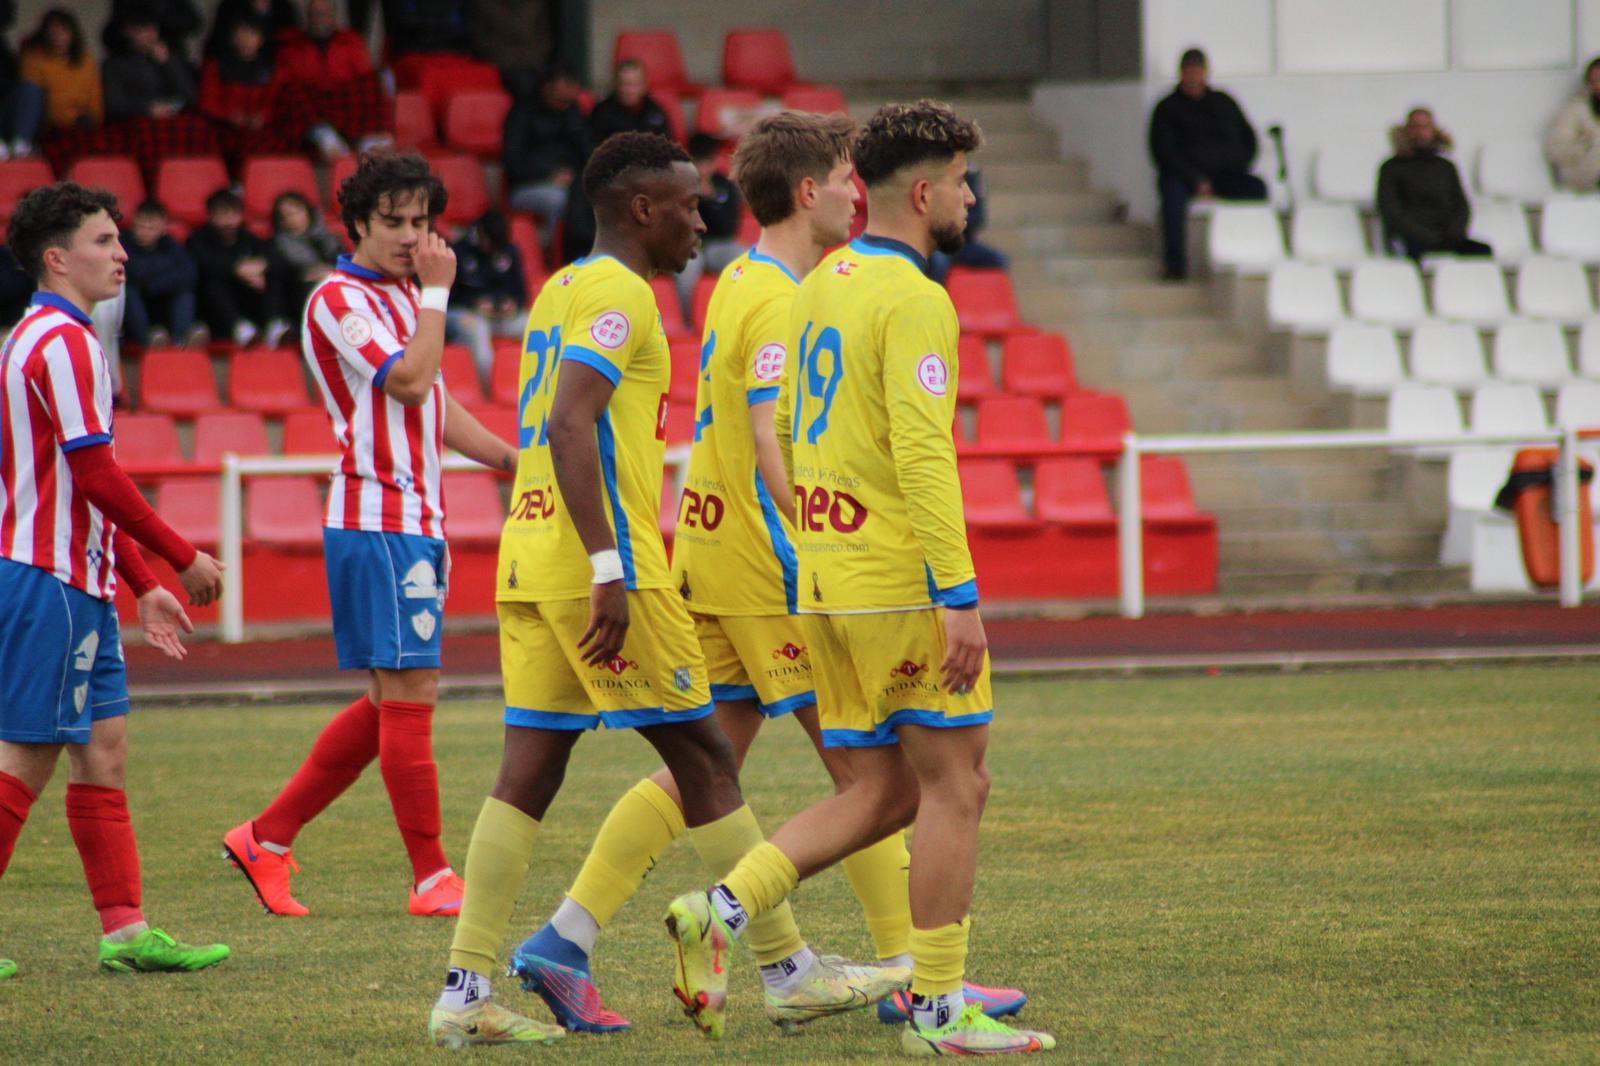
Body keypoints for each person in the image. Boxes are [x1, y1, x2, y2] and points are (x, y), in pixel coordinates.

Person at [507, 110, 1022, 1038]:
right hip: (778, 557)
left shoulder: (778, 283)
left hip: (732, 548)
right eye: (839, 177)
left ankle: (571, 933)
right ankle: (912, 977)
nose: (852, 194)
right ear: (809, 191)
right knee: (897, 778)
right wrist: (827, 545)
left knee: (723, 757)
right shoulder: (799, 292)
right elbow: (776, 441)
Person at [425, 131, 882, 1048]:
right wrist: (608, 566)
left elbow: (559, 422)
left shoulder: (558, 290)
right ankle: (788, 971)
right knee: (708, 758)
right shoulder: (622, 295)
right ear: (641, 209)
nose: (701, 219)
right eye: (686, 204)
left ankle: (464, 991)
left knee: (530, 771)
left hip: (529, 559)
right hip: (602, 567)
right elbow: (568, 424)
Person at [663, 101, 1056, 1056]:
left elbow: (787, 431)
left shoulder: (819, 284)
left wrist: (822, 538)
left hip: (828, 580)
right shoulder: (917, 298)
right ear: (922, 193)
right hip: (898, 584)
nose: (970, 196)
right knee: (959, 783)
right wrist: (957, 597)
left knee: (882, 792)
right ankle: (938, 1009)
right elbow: (924, 458)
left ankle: (720, 908)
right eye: (961, 181)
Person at [222, 150, 518, 920]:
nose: (411, 237)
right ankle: (431, 878)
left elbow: (436, 407)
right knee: (412, 689)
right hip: (376, 515)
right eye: (394, 222)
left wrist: (510, 459)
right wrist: (441, 295)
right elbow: (411, 382)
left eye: (421, 223)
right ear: (356, 223)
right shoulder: (338, 299)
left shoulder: (404, 299)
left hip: (417, 516)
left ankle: (268, 837)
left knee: (392, 696)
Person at [0, 181, 228, 981]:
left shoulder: (51, 337)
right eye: (103, 240)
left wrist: (137, 580)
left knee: (104, 749)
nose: (123, 253)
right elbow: (95, 473)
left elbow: (87, 477)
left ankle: (126, 931)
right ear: (57, 258)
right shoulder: (59, 343)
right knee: (25, 755)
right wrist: (181, 556)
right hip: (47, 579)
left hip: (77, 579)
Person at [1148, 48, 1267, 280]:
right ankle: (1175, 266)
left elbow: (1247, 139)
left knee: (1255, 188)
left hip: (1224, 175)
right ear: (1181, 74)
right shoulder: (1167, 108)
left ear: (1205, 73)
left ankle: (1251, 251)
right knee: (1172, 197)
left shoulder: (1223, 102)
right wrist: (1196, 180)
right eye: (1189, 72)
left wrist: (1236, 167)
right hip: (1183, 177)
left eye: (1198, 71)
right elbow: (1163, 152)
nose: (1193, 77)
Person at [1377, 108, 1491, 261]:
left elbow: (1461, 205)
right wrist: (1426, 236)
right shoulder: (1391, 167)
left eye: (1425, 127)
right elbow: (1392, 211)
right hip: (1412, 239)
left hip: (1447, 237)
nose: (1419, 132)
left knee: (1482, 252)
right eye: (1414, 127)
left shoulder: (1445, 167)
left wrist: (1454, 233)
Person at [187, 187, 290, 347]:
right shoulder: (198, 239)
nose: (229, 221)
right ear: (211, 216)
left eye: (233, 214)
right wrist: (235, 269)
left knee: (272, 275)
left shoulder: (246, 236)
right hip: (216, 311)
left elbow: (274, 257)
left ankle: (274, 325)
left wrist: (260, 266)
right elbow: (203, 263)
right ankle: (238, 328)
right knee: (213, 281)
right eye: (222, 214)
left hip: (249, 299)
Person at [504, 65, 590, 252]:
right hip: (527, 187)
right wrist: (549, 175)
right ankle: (559, 259)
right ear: (546, 88)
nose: (564, 105)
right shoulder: (522, 113)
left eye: (569, 100)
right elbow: (513, 163)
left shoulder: (574, 113)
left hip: (572, 182)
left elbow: (588, 152)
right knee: (559, 200)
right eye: (560, 100)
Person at [447, 209, 527, 385]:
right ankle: (489, 388)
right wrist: (475, 303)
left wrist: (513, 304)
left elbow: (521, 293)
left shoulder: (510, 251)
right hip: (467, 313)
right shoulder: (459, 252)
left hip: (502, 317)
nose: (494, 249)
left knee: (534, 324)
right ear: (481, 234)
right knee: (478, 330)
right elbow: (448, 298)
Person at [672, 133, 745, 320]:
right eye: (699, 163)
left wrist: (711, 200)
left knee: (741, 257)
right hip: (688, 246)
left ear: (714, 162)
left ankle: (740, 317)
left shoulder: (723, 186)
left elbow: (729, 228)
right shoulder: (676, 184)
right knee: (688, 265)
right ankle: (689, 322)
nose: (703, 169)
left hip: (716, 246)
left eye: (707, 162)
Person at [123, 200, 203, 349]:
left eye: (151, 228)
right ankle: (148, 339)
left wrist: (153, 283)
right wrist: (163, 273)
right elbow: (135, 272)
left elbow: (189, 274)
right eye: (140, 226)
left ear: (163, 229)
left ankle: (182, 339)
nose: (144, 232)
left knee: (185, 292)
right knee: (128, 290)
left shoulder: (170, 244)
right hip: (136, 311)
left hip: (162, 303)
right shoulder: (123, 242)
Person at [101, 11, 196, 124]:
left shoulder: (168, 57)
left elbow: (190, 95)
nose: (152, 35)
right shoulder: (113, 65)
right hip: (135, 124)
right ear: (128, 32)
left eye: (154, 29)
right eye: (144, 30)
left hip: (172, 120)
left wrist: (168, 64)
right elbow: (114, 105)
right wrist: (147, 109)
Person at [268, 190, 342, 334]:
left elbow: (344, 262)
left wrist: (329, 272)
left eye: (296, 212)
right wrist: (305, 274)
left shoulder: (329, 239)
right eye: (286, 216)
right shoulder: (277, 245)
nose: (292, 219)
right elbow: (281, 275)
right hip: (299, 297)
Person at [19, 9, 101, 135]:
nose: (58, 37)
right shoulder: (33, 59)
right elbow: (34, 102)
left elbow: (95, 100)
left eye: (64, 32)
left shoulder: (86, 61)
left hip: (83, 124)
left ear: (73, 35)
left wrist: (92, 119)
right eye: (53, 32)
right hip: (49, 127)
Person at [929, 168, 1008, 284]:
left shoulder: (972, 173)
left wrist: (959, 221)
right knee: (938, 261)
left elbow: (978, 217)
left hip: (965, 243)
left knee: (1000, 259)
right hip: (941, 242)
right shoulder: (941, 171)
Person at [1546, 56, 1600, 192]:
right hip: (1586, 174)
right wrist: (1586, 146)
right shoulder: (1576, 109)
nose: (1597, 86)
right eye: (1594, 81)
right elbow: (1555, 148)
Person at [0, 1, 44, 160]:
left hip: (5, 109)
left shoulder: (3, 47)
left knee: (30, 89)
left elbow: (13, 80)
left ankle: (20, 144)